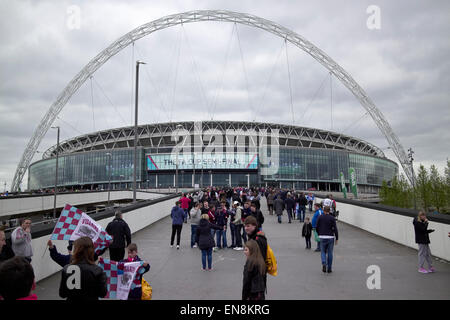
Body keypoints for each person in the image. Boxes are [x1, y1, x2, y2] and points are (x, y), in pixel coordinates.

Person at [316, 206, 339, 273]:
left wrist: (319, 234)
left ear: (323, 210)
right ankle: (329, 268)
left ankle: (324, 263)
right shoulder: (332, 218)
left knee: (323, 251)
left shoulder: (320, 217)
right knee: (330, 253)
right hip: (330, 237)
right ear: (329, 211)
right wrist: (337, 238)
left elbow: (317, 227)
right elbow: (335, 228)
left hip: (322, 237)